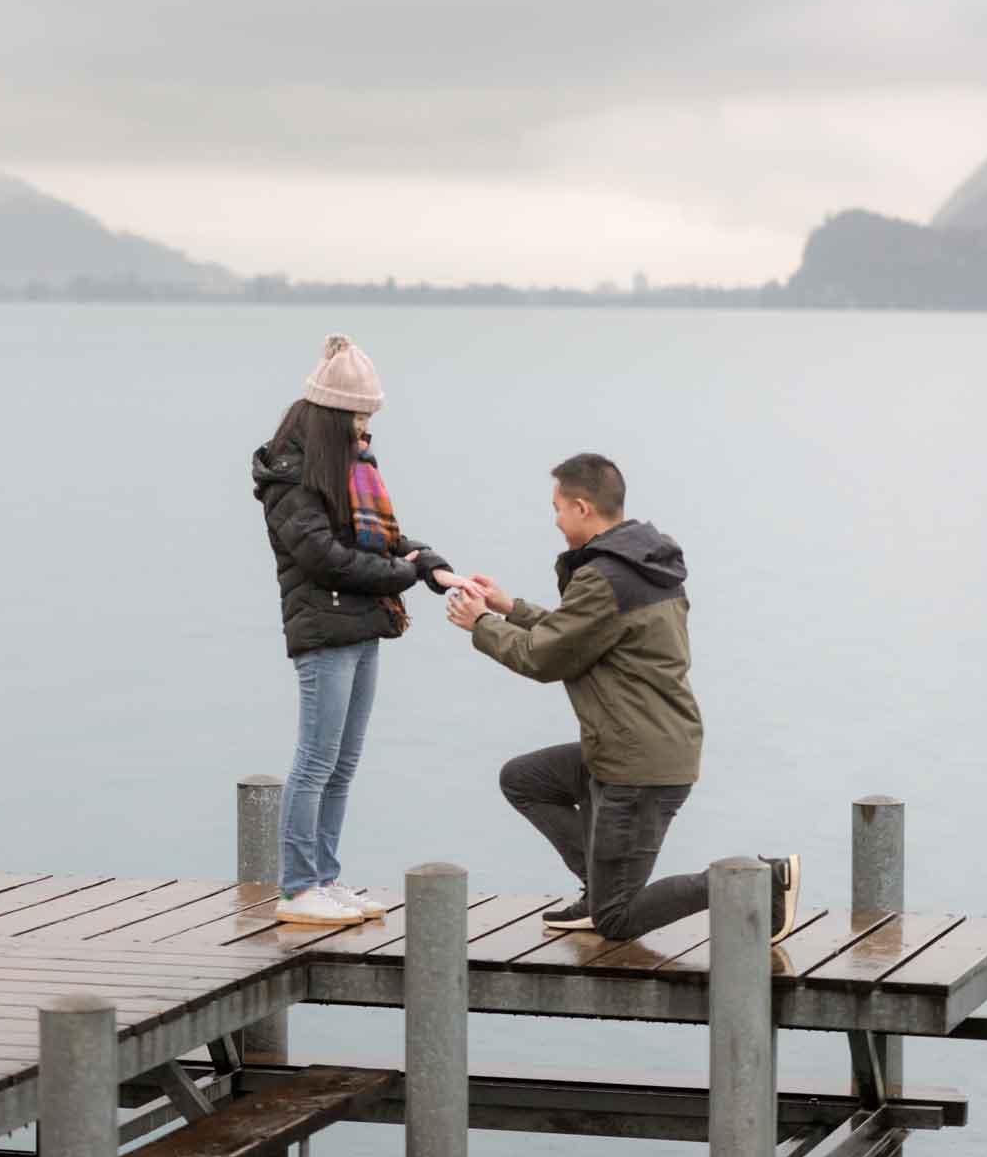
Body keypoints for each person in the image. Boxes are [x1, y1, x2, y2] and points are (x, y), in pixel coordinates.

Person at [446, 452, 801, 943]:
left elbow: (544, 658)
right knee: (524, 779)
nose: (554, 519)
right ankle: (600, 886)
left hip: (638, 767)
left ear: (582, 508)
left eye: (557, 508)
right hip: (636, 746)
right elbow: (579, 632)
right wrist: (511, 607)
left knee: (617, 920)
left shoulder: (605, 577)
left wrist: (481, 624)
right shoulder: (642, 566)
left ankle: (758, 881)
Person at [254, 334, 480, 925]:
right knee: (315, 760)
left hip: (362, 625)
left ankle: (324, 877)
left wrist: (432, 567)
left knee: (342, 763)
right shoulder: (289, 476)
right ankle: (298, 887)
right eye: (358, 416)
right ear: (330, 415)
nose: (366, 428)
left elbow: (384, 540)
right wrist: (402, 574)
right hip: (323, 630)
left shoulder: (351, 467)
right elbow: (323, 556)